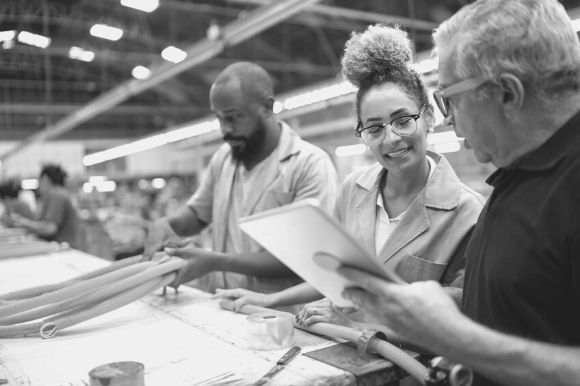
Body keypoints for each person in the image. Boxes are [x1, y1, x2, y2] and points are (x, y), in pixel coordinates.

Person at [332, 1, 580, 385]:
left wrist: (459, 339)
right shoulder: (518, 175)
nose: (449, 117)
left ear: (508, 93)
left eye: (450, 98)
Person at [216, 25, 484, 329]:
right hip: (347, 356)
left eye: (402, 120)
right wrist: (270, 299)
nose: (391, 138)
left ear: (428, 117)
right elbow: (336, 278)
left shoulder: (467, 213)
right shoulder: (354, 190)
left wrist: (356, 326)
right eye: (374, 128)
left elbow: (460, 318)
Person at [143, 61, 339, 296]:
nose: (225, 129)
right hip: (223, 306)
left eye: (233, 117)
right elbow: (198, 213)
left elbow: (306, 258)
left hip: (282, 318)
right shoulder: (224, 159)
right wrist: (167, 224)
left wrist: (217, 261)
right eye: (219, 118)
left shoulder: (309, 164)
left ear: (267, 107)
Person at [9, 165, 82, 249]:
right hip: (59, 247)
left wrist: (23, 222)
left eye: (40, 181)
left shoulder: (57, 195)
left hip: (60, 248)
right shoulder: (59, 194)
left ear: (45, 179)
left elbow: (49, 228)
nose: (39, 185)